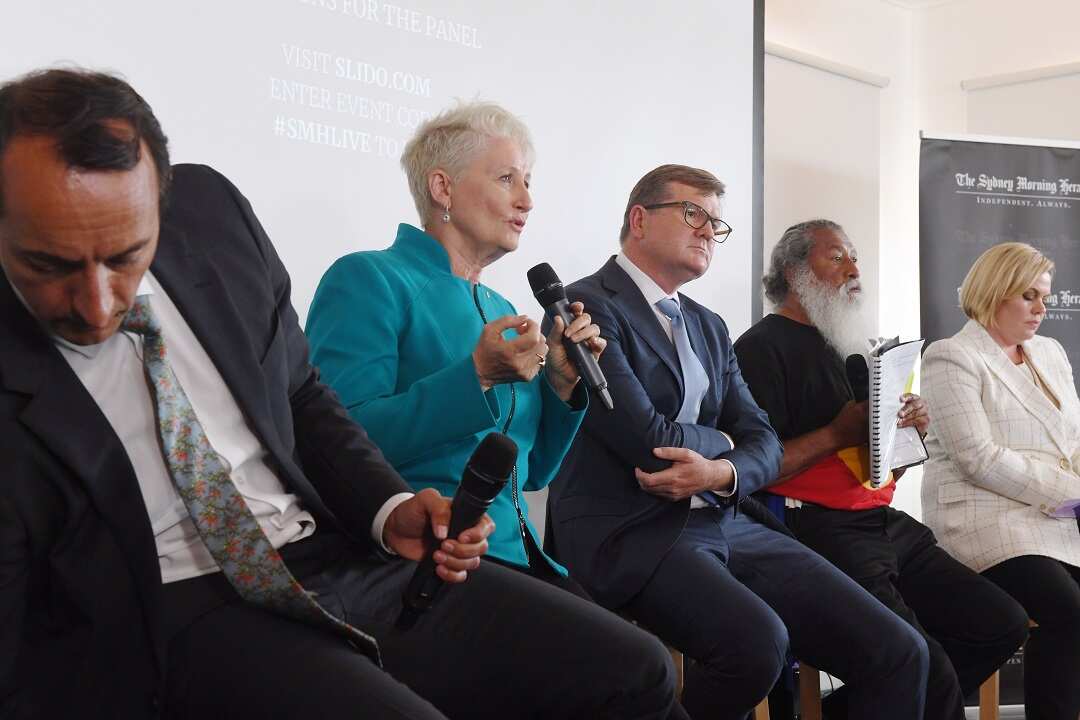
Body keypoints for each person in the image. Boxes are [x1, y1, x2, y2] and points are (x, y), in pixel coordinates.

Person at [0, 68, 679, 720]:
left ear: (161, 203)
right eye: (48, 266)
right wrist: (471, 379)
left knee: (639, 670)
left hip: (346, 556)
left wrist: (389, 507)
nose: (95, 307)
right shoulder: (371, 280)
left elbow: (301, 395)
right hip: (180, 595)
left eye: (126, 256)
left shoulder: (210, 211)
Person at [548, 165, 931, 720]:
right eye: (692, 214)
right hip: (633, 529)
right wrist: (727, 441)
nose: (708, 230)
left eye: (716, 223)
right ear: (639, 219)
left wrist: (721, 471)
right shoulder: (586, 305)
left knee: (899, 650)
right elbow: (648, 440)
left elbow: (766, 443)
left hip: (726, 517)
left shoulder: (707, 324)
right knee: (758, 647)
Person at [734, 219, 1029, 720]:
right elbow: (751, 470)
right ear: (794, 271)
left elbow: (878, 462)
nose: (853, 269)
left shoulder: (851, 346)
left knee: (1001, 622)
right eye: (837, 258)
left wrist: (906, 430)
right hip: (815, 527)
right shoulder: (758, 349)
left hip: (880, 522)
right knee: (925, 663)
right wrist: (835, 434)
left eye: (855, 258)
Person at [305, 101, 599, 593]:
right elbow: (340, 444)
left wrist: (564, 387)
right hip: (429, 556)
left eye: (528, 182)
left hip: (519, 556)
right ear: (442, 187)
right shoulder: (368, 278)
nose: (526, 200)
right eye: (507, 178)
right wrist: (476, 376)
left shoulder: (502, 303)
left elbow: (529, 475)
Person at [921, 241, 1080, 720]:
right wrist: (1071, 496)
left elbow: (1072, 438)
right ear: (995, 292)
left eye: (1046, 297)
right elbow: (979, 459)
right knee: (1069, 611)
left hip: (1056, 519)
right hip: (985, 522)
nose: (1041, 309)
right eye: (1028, 295)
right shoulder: (951, 357)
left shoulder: (1048, 352)